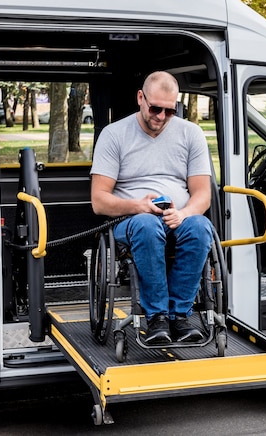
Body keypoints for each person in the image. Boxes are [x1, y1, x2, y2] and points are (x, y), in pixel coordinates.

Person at [90, 71, 214, 345]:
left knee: (201, 226)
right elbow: (99, 201)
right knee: (147, 226)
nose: (161, 116)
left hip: (177, 217)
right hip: (132, 220)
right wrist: (139, 206)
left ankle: (180, 316)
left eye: (170, 111)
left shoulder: (190, 133)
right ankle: (157, 317)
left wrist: (183, 213)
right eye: (155, 108)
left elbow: (203, 195)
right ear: (140, 98)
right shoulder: (114, 135)